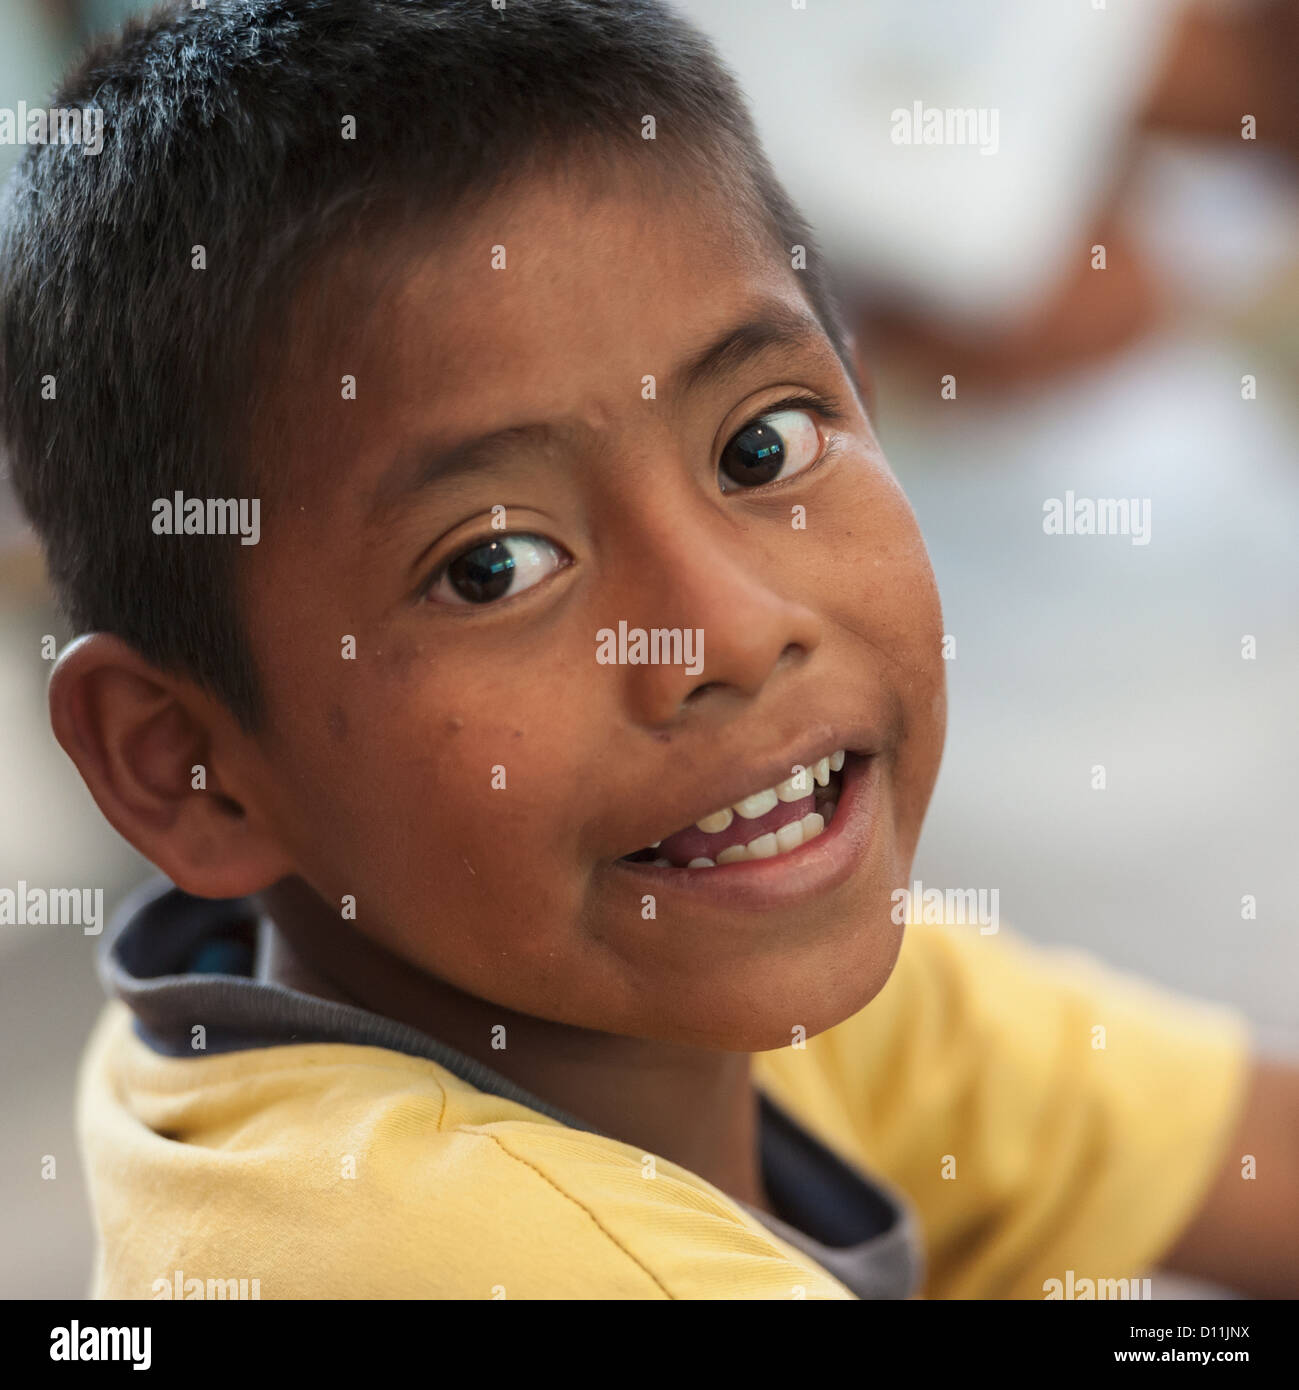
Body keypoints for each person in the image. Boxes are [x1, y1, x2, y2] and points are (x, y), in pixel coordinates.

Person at [1, 0, 1291, 1299]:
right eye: (491, 565)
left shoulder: (726, 965)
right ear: (185, 768)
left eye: (763, 447)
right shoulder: (437, 1249)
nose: (726, 628)